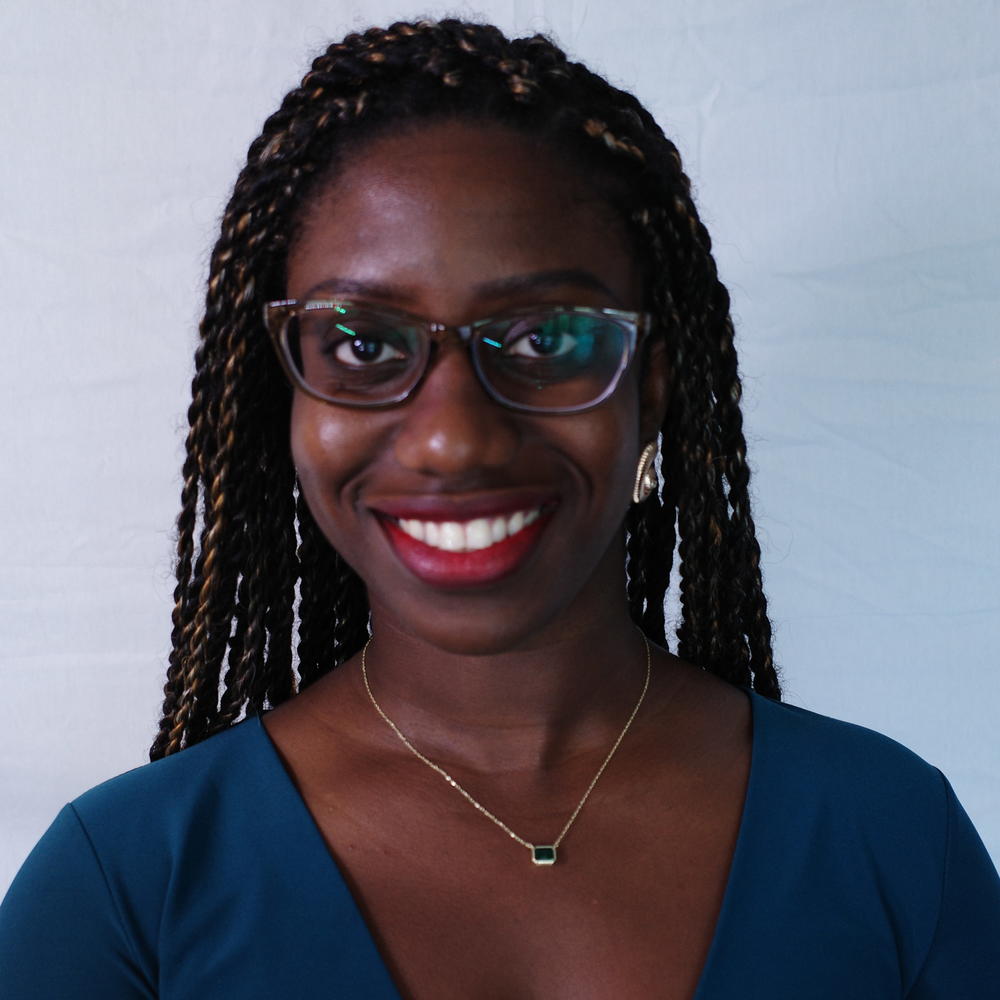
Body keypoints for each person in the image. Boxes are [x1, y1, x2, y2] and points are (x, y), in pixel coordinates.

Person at [1, 18, 998, 999]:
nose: (454, 439)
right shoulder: (124, 886)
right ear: (285, 398)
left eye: (544, 339)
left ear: (650, 386)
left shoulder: (893, 836)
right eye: (363, 344)